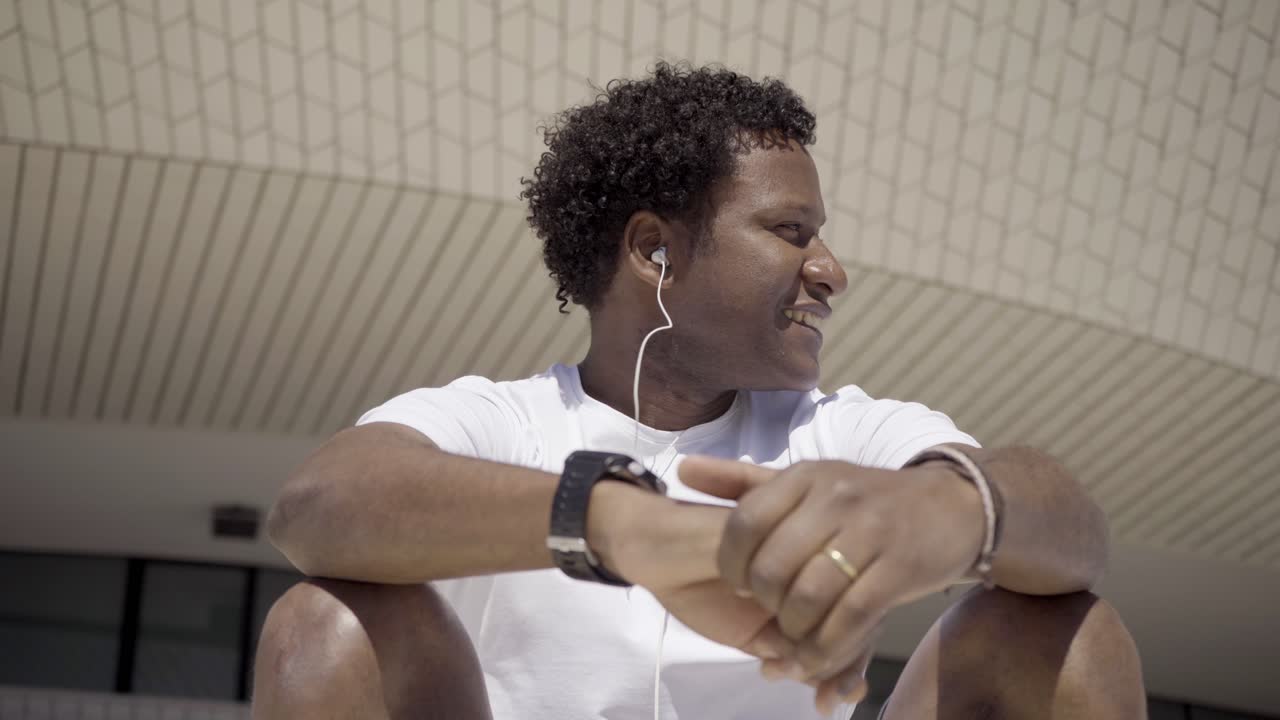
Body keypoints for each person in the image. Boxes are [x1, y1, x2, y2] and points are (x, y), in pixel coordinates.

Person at [253, 62, 1145, 719]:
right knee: (325, 621)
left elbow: (1075, 534)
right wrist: (635, 528)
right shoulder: (501, 421)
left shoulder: (842, 436)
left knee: (1055, 629)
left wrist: (946, 515)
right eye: (791, 231)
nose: (830, 272)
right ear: (655, 252)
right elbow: (317, 506)